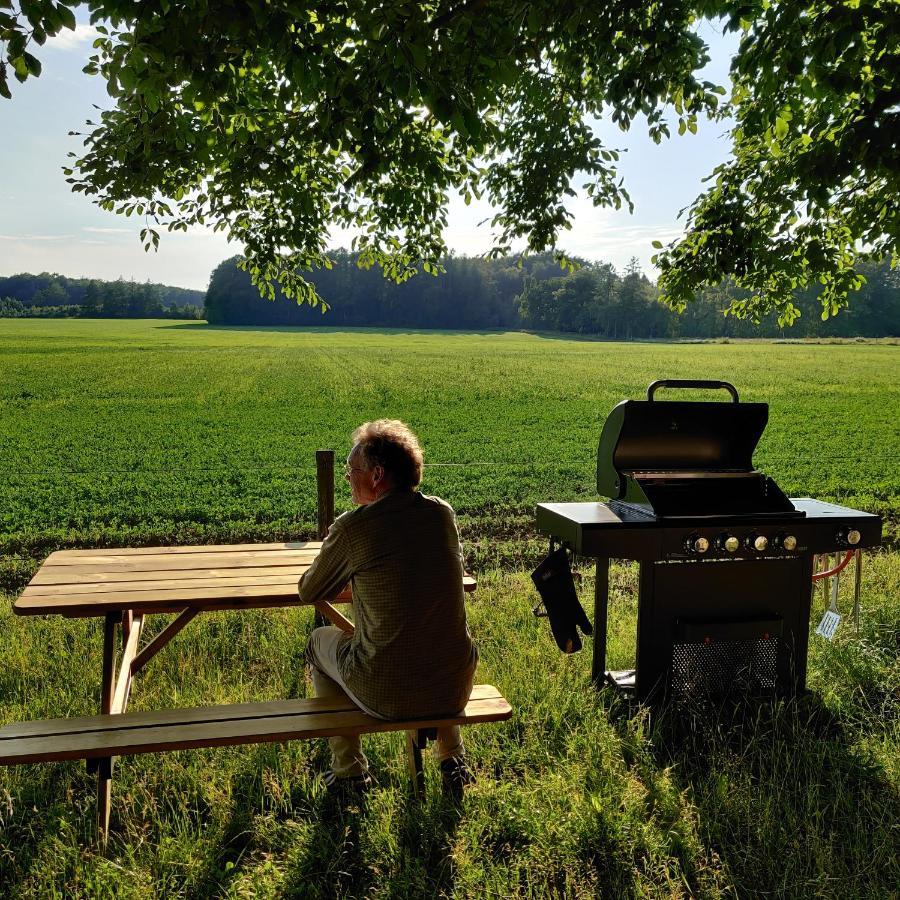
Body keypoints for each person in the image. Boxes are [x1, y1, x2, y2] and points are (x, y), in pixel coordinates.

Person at [299, 419, 477, 797]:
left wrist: (348, 564)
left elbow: (310, 589)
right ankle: (453, 759)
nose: (348, 477)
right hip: (454, 687)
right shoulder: (441, 513)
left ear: (377, 475)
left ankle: (348, 772)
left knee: (318, 641)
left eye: (353, 471)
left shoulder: (354, 528)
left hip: (386, 691)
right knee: (430, 639)